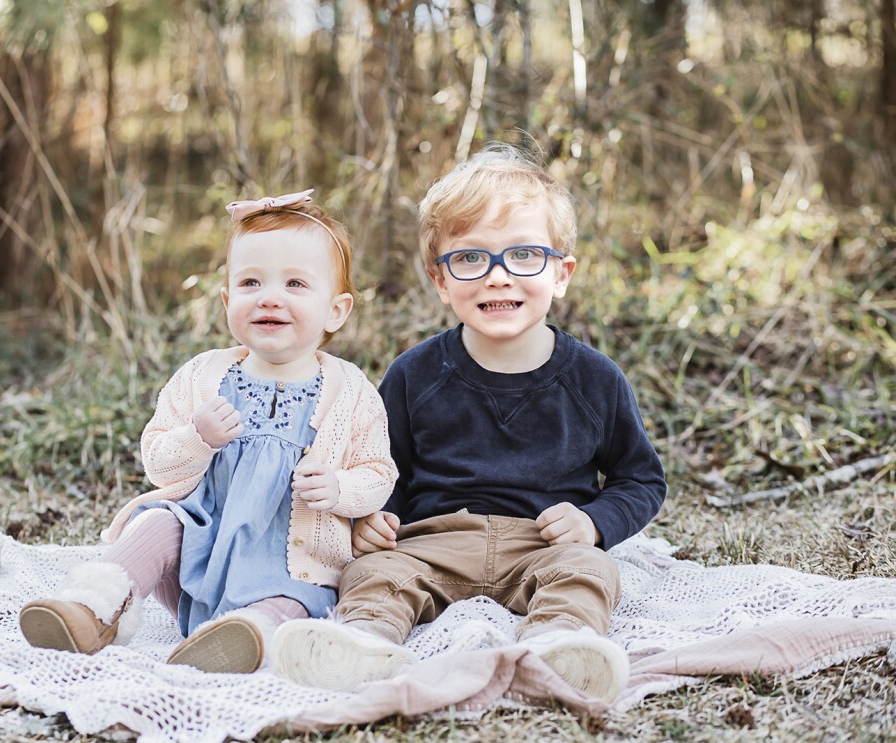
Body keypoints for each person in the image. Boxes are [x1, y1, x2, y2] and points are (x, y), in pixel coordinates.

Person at [270, 144, 667, 703]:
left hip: (542, 544)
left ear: (561, 273)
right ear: (440, 280)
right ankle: (362, 643)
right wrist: (374, 518)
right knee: (374, 574)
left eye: (524, 256)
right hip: (432, 543)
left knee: (589, 572)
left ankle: (560, 648)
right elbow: (385, 467)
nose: (497, 277)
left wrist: (595, 523)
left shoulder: (594, 380)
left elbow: (641, 480)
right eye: (471, 259)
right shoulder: (414, 374)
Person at [19, 189, 398, 674]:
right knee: (156, 522)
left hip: (292, 568)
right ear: (226, 300)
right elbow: (157, 460)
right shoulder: (204, 376)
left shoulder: (351, 391)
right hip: (200, 550)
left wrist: (340, 488)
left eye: (296, 284)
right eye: (250, 282)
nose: (269, 297)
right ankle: (92, 609)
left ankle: (244, 637)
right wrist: (197, 438)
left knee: (295, 606)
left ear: (336, 310)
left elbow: (377, 471)